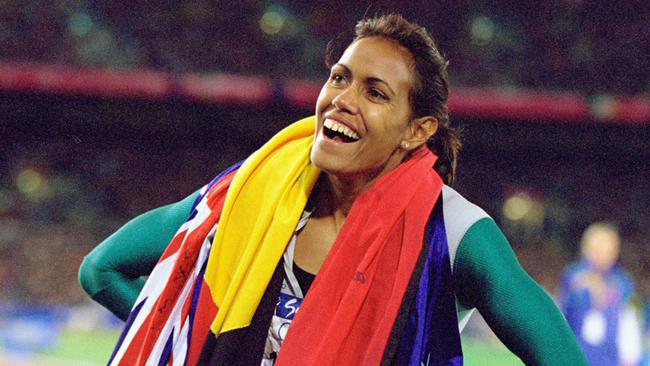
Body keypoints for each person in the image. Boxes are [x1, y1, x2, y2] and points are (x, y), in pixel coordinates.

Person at [79, 13, 586, 366]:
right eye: (340, 78)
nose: (342, 100)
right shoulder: (252, 193)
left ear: (417, 131)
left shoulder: (453, 231)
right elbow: (101, 271)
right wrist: (204, 351)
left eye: (375, 92)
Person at [560, 222, 642, 366]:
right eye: (601, 248)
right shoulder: (573, 274)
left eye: (612, 249)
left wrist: (629, 356)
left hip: (610, 358)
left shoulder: (622, 280)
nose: (607, 254)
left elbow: (627, 319)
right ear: (588, 248)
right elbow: (568, 308)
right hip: (578, 355)